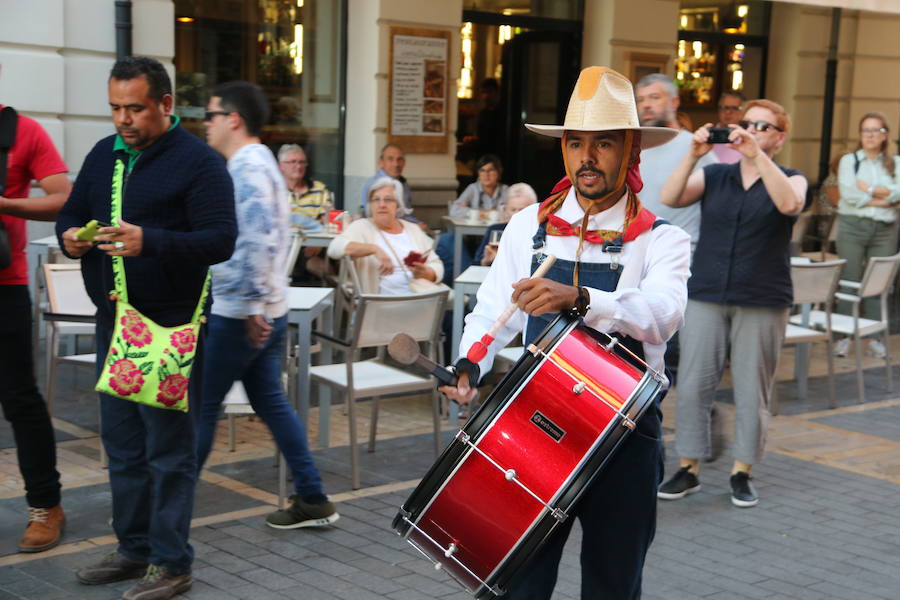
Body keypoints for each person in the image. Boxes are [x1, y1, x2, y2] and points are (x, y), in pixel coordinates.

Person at [442, 66, 690, 600]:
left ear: (630, 152)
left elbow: (664, 315)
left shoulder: (662, 240)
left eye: (603, 143)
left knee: (612, 584)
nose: (587, 157)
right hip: (537, 426)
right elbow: (492, 315)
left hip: (625, 434)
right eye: (576, 143)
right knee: (519, 582)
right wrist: (468, 364)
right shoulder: (528, 224)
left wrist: (581, 298)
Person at [56, 56, 237, 600]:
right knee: (124, 445)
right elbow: (70, 212)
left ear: (164, 103)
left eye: (135, 108)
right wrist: (71, 238)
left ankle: (172, 563)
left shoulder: (199, 163)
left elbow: (220, 241)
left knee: (167, 451)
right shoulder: (104, 154)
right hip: (116, 323)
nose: (123, 120)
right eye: (115, 108)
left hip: (168, 327)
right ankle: (133, 549)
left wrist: (149, 241)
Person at [196, 81, 339, 530]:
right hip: (261, 310)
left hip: (241, 314)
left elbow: (256, 240)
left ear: (233, 120)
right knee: (272, 403)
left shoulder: (248, 169)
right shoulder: (260, 166)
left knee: (201, 408)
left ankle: (163, 520)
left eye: (212, 114)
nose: (206, 123)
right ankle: (313, 498)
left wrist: (254, 305)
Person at [657, 99, 807, 508]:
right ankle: (688, 467)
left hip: (762, 298)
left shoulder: (792, 178)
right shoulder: (717, 174)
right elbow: (670, 196)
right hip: (707, 292)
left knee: (750, 390)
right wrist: (692, 155)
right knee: (692, 384)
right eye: (747, 124)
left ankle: (743, 471)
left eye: (763, 126)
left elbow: (789, 205)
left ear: (779, 137)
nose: (752, 130)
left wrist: (756, 157)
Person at [0, 65, 72, 553]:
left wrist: (4, 203)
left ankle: (46, 506)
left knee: (19, 399)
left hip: (4, 286)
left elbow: (63, 197)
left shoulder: (22, 131)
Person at [832, 112, 900, 359]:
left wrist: (869, 191)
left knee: (878, 283)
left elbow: (899, 193)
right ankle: (843, 337)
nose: (870, 135)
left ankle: (876, 339)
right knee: (850, 281)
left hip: (885, 231)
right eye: (865, 131)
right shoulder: (850, 161)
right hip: (853, 227)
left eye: (876, 130)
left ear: (885, 135)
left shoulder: (896, 163)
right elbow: (850, 195)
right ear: (860, 135)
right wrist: (886, 198)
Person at [635, 73, 718, 250]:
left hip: (680, 252)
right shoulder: (632, 149)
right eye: (640, 99)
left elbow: (719, 201)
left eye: (654, 97)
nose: (646, 105)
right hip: (635, 250)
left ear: (674, 102)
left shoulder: (697, 147)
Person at [329, 177, 443, 294]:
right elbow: (334, 248)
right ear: (370, 205)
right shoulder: (361, 227)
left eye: (388, 200)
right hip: (381, 303)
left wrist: (428, 273)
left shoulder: (412, 229)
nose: (381, 204)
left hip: (419, 296)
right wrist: (374, 249)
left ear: (397, 205)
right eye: (376, 200)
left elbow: (436, 264)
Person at [472, 182, 537, 266]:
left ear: (534, 210)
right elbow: (475, 263)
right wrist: (485, 261)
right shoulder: (495, 230)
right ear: (506, 209)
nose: (516, 215)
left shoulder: (540, 232)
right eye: (513, 209)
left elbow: (541, 261)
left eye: (521, 210)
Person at [279, 143, 333, 224]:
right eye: (293, 162)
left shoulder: (319, 189)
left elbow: (329, 220)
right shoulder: (272, 190)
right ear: (280, 165)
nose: (298, 166)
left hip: (314, 236)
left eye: (302, 162)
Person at [359, 143, 412, 218]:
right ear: (381, 162)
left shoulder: (403, 183)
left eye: (399, 159)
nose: (396, 164)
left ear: (404, 163)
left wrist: (418, 224)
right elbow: (370, 216)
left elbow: (406, 213)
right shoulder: (374, 184)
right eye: (390, 159)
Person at [450, 154, 509, 219]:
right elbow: (454, 210)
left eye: (491, 170)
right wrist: (486, 213)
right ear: (478, 174)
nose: (486, 174)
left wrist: (473, 212)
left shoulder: (505, 190)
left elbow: (515, 212)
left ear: (498, 172)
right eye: (482, 170)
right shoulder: (473, 188)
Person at [712, 91, 745, 164]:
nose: (728, 112)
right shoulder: (707, 136)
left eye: (734, 108)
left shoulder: (747, 139)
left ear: (743, 112)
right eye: (724, 107)